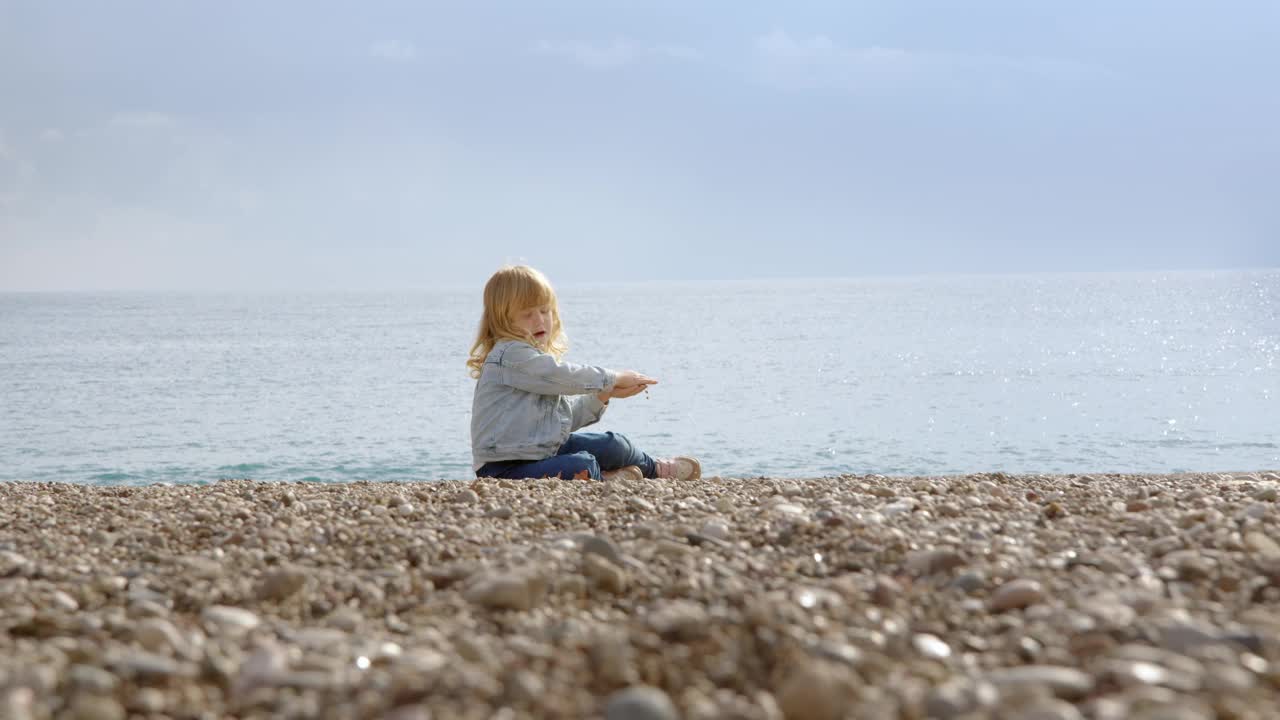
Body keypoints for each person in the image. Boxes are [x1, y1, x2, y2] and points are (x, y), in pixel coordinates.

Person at [467, 265, 701, 481]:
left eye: (545, 310)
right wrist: (614, 378)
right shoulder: (510, 355)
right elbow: (565, 376)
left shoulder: (537, 364)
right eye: (527, 314)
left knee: (614, 444)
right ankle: (608, 478)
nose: (540, 320)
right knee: (583, 464)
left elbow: (563, 422)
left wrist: (603, 395)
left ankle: (654, 469)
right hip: (503, 468)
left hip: (542, 451)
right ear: (502, 321)